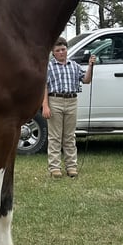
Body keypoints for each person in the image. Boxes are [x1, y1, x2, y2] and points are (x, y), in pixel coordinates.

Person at [41, 37, 96, 178]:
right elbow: (44, 87)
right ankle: (55, 168)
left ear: (67, 50)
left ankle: (71, 167)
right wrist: (45, 106)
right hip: (55, 100)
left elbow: (86, 80)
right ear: (53, 53)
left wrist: (90, 66)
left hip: (71, 101)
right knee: (55, 136)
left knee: (70, 136)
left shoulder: (75, 66)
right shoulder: (49, 67)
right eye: (57, 50)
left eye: (63, 49)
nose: (61, 52)